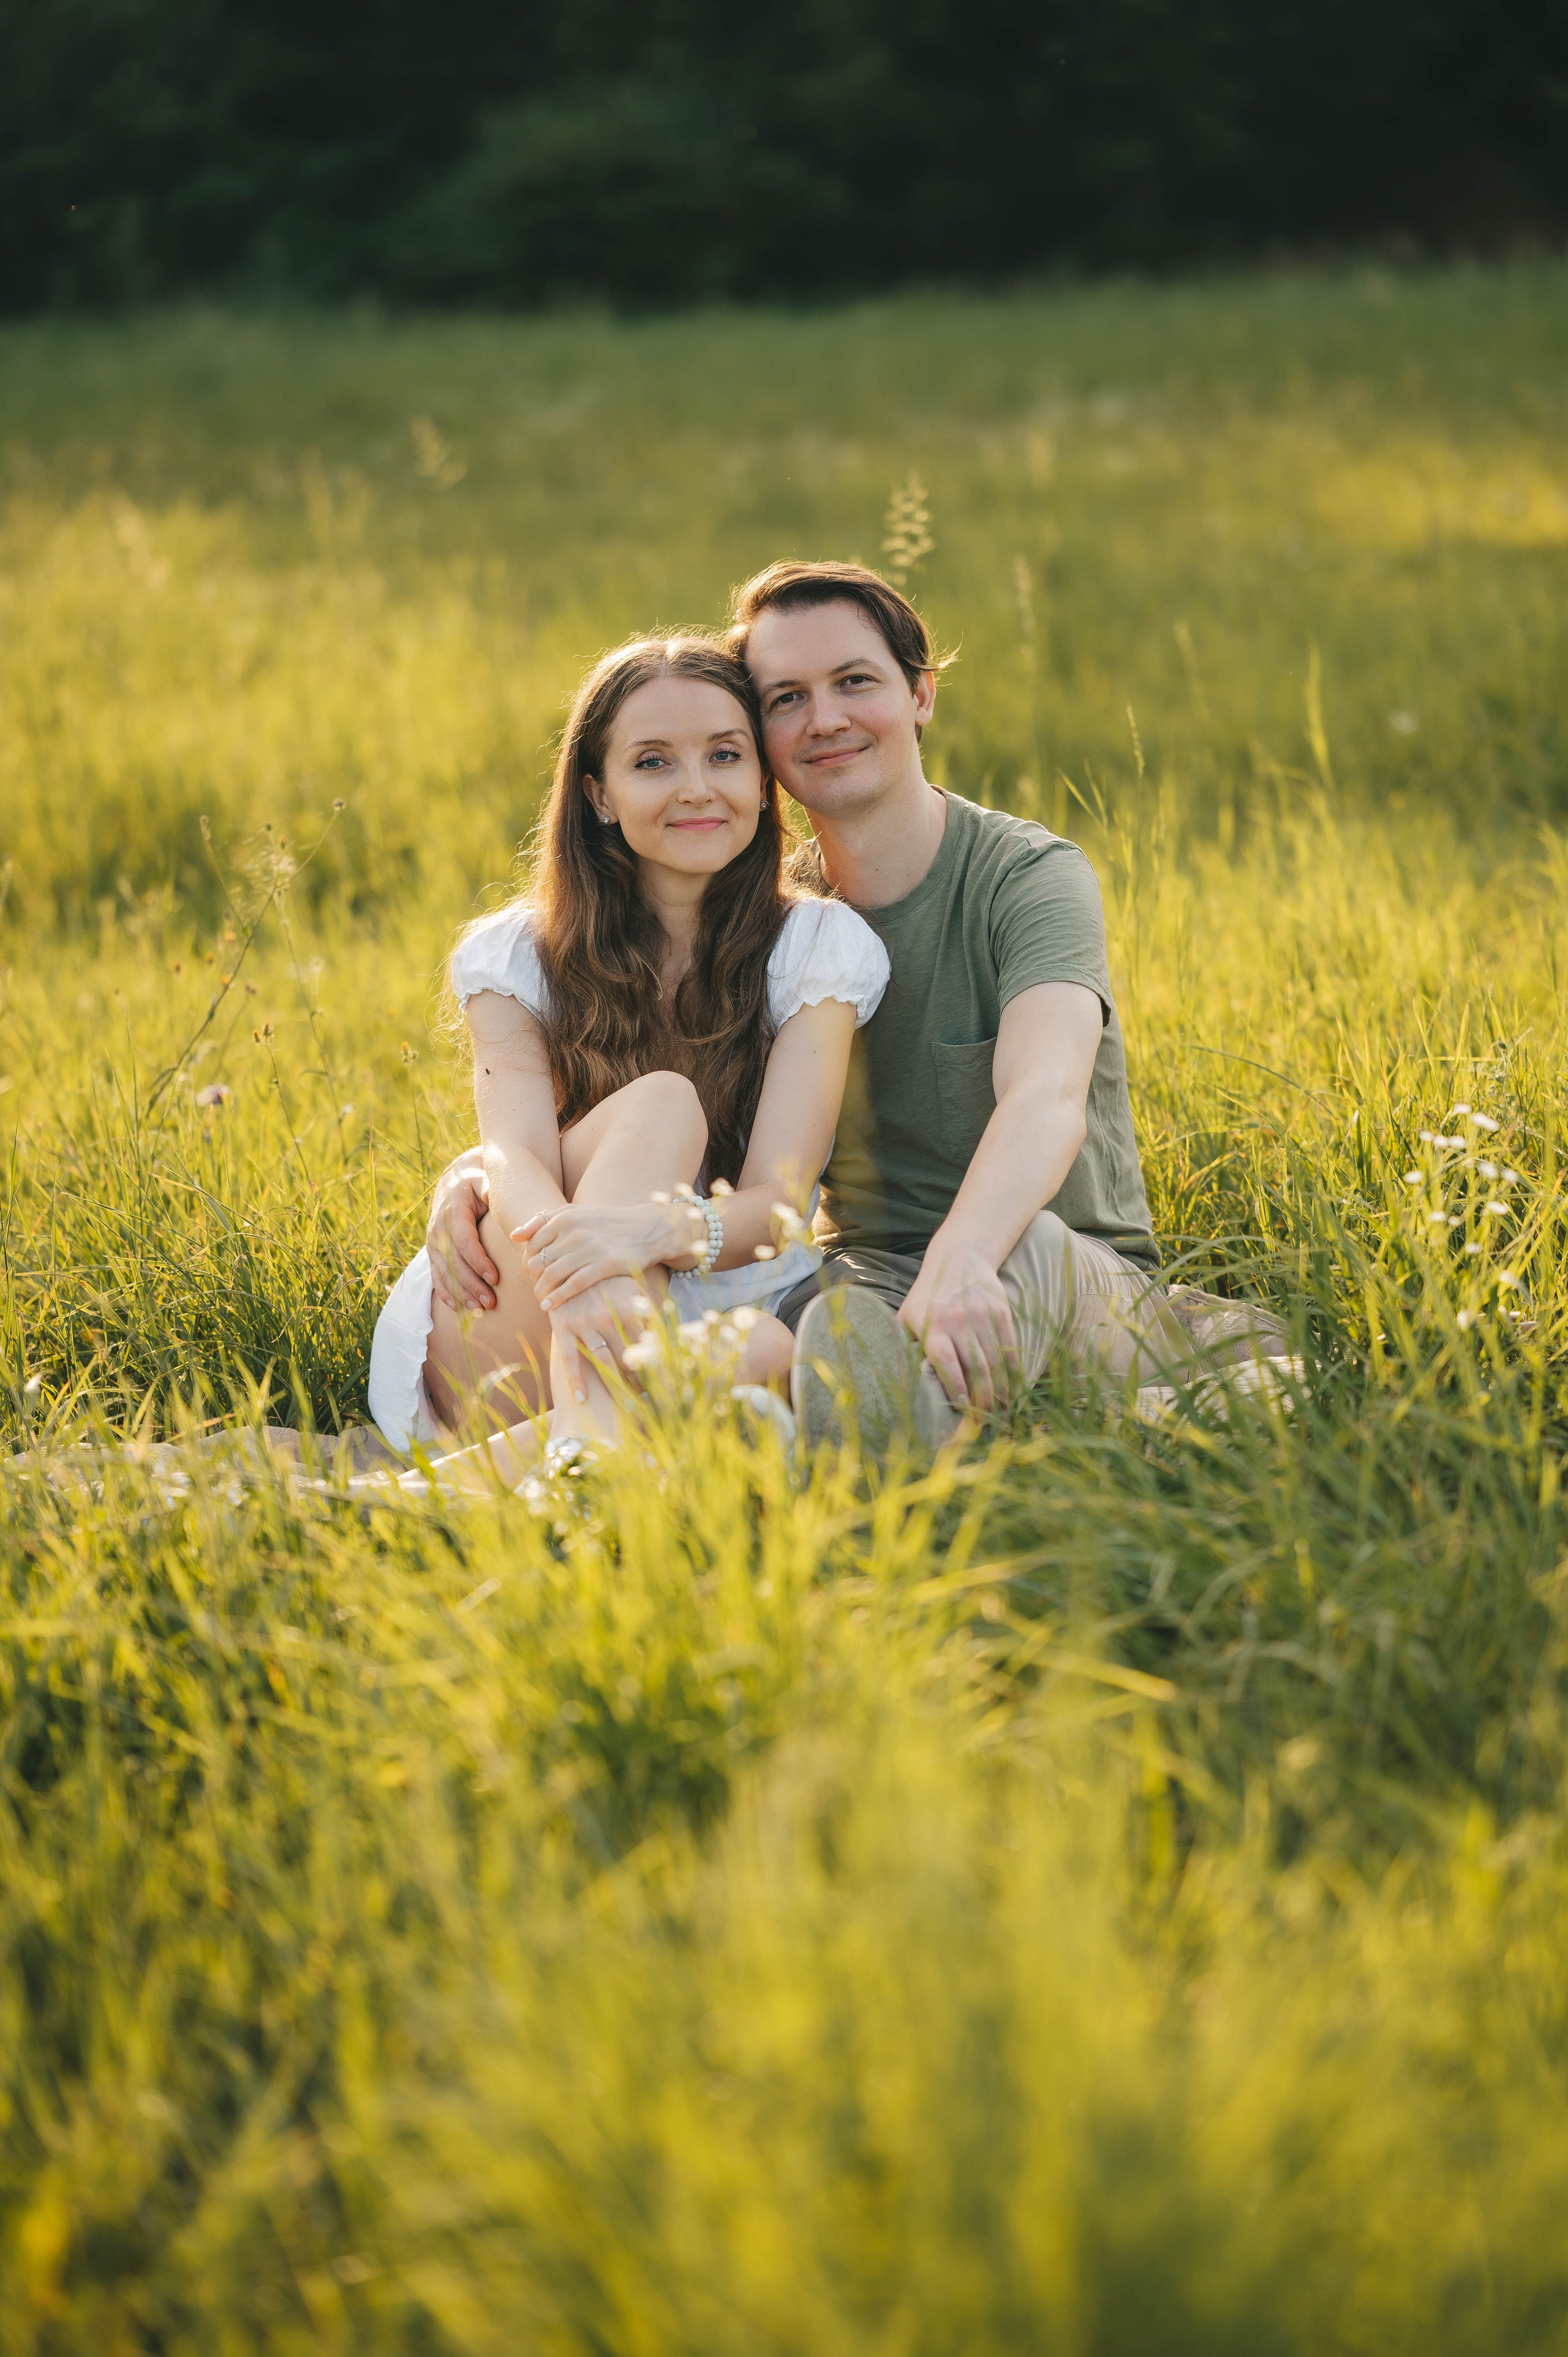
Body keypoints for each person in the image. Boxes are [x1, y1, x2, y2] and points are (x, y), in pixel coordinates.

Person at [424, 563, 1189, 1459]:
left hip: (1027, 1251)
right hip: (849, 1282)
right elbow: (647, 1113)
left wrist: (968, 1252)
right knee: (787, 1371)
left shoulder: (1027, 879)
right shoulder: (774, 925)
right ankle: (552, 1476)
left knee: (915, 1355)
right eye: (786, 698)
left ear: (921, 695)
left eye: (856, 682)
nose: (824, 719)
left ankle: (448, 1489)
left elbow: (1046, 1097)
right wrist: (483, 1169)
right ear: (765, 742)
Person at [368, 631, 888, 1487]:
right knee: (662, 1106)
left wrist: (652, 1234)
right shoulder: (514, 954)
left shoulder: (818, 948)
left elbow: (782, 1207)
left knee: (765, 1349)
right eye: (652, 763)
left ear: (764, 778)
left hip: (699, 1299)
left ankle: (499, 1477)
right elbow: (518, 1157)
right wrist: (589, 1251)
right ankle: (583, 1438)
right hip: (511, 1314)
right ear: (598, 795)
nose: (696, 788)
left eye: (725, 755)